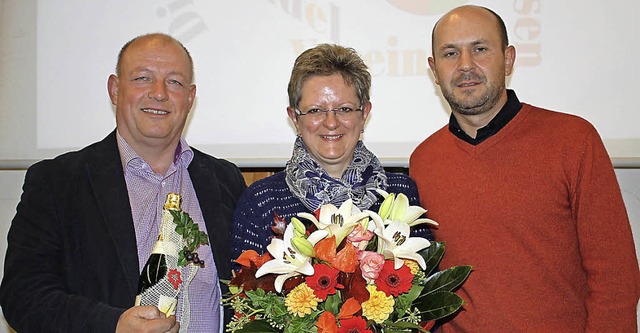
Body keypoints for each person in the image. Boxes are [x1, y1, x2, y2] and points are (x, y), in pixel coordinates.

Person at [410, 5, 640, 332]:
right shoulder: (423, 161)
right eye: (450, 53)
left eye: (480, 49)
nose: (465, 65)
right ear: (434, 70)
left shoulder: (573, 140)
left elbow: (616, 278)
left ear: (508, 59)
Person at [0, 33, 246, 332]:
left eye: (174, 82)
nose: (159, 93)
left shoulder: (225, 181)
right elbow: (23, 296)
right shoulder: (58, 182)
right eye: (143, 78)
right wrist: (111, 325)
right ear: (115, 90)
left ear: (190, 97)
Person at [232, 44, 433, 259]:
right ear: (295, 118)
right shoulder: (262, 201)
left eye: (344, 109)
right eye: (315, 110)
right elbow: (242, 288)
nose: (331, 123)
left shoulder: (400, 193)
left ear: (364, 114)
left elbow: (425, 280)